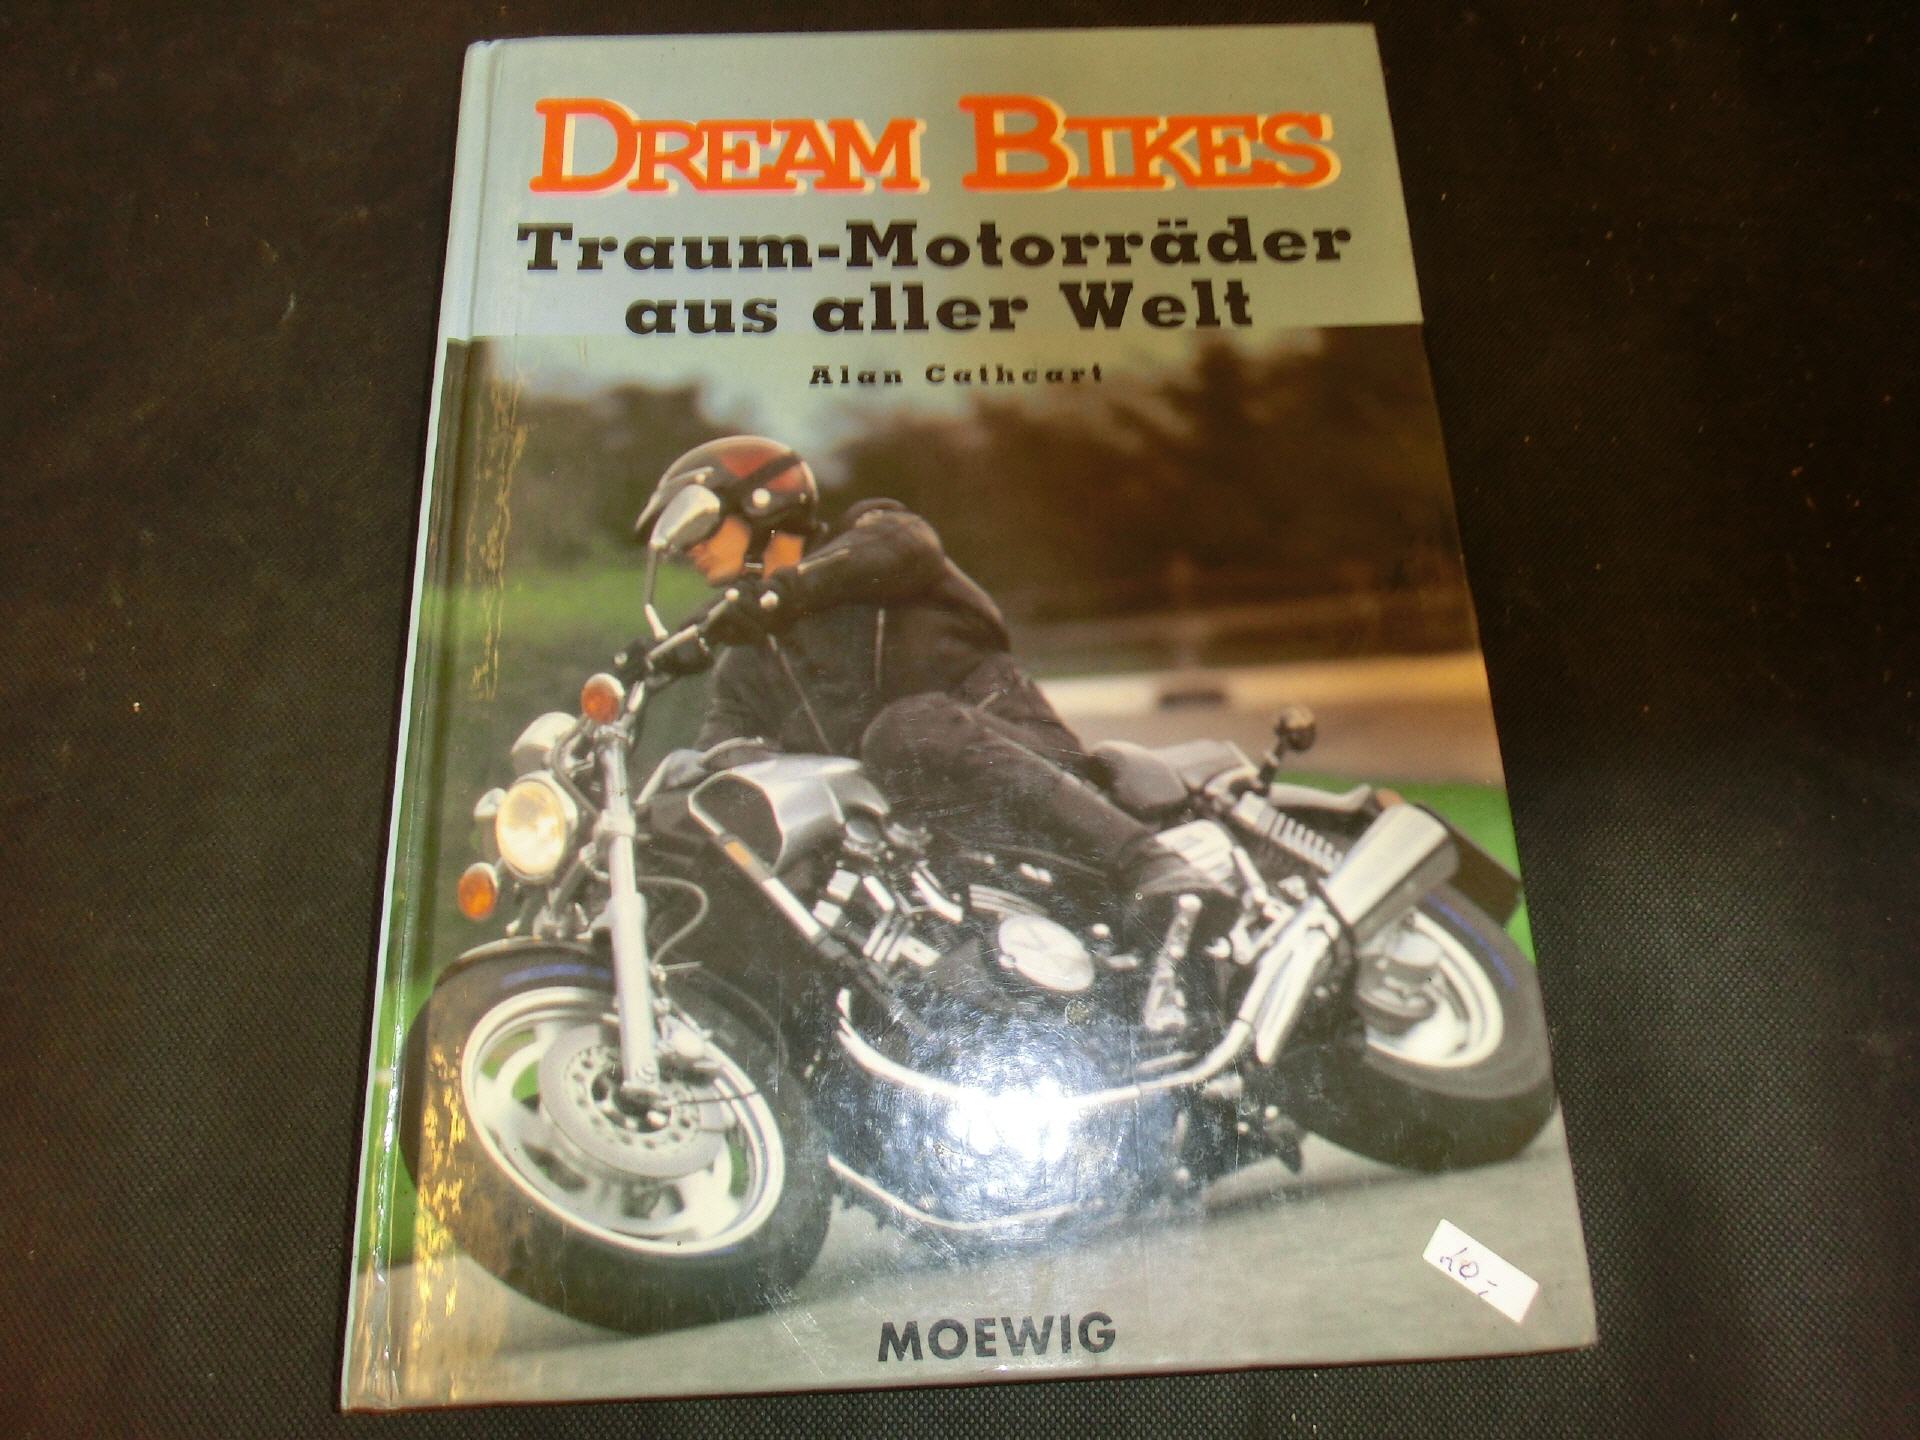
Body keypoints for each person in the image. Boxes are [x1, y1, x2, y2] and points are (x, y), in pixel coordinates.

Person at [624, 435, 1236, 947]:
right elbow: (725, 757)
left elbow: (898, 548)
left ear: (762, 504)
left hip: (1034, 778)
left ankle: (1150, 862)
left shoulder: (877, 540)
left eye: (701, 522)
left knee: (906, 729)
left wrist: (779, 595)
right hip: (924, 853)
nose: (691, 548)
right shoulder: (746, 663)